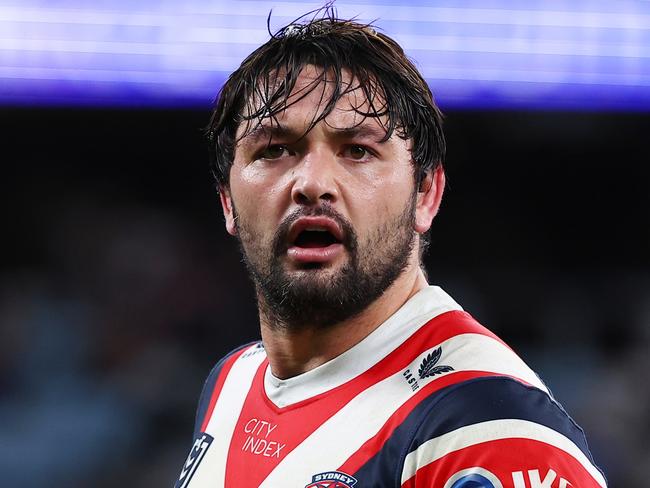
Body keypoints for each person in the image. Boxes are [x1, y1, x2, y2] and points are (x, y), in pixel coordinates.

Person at [174, 9, 607, 488]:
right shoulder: (234, 380)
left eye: (358, 150)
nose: (313, 184)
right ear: (228, 202)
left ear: (425, 195)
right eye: (275, 150)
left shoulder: (485, 429)